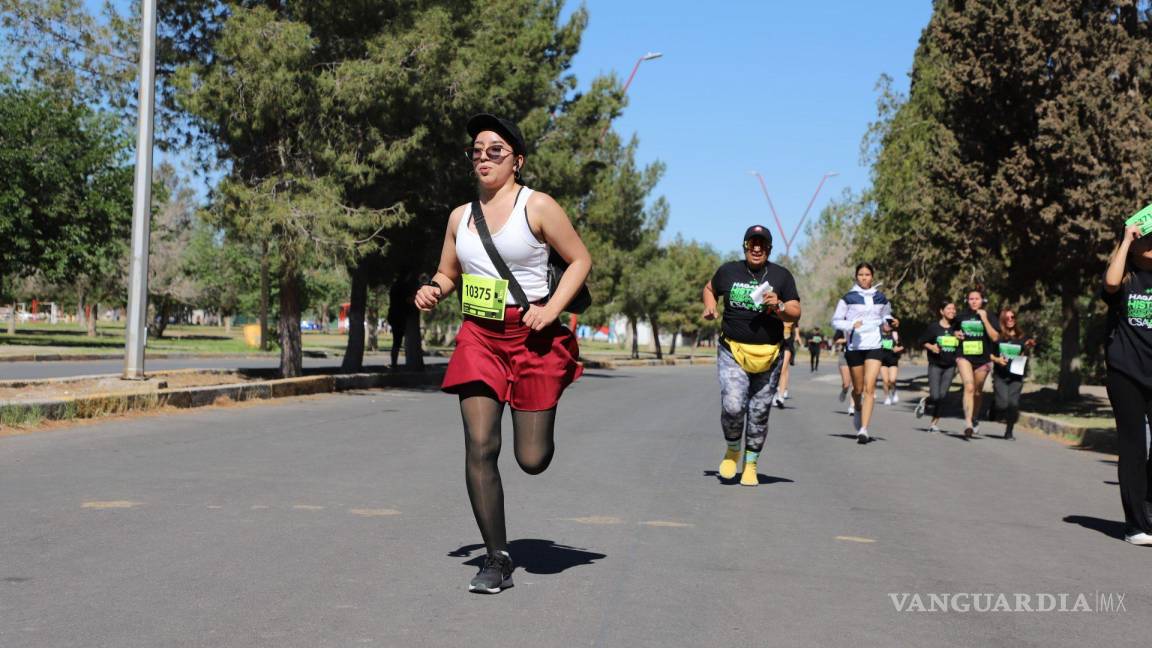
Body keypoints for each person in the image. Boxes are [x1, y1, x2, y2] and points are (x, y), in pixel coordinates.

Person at [413, 113, 592, 592]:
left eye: (495, 150)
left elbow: (580, 260)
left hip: (532, 336)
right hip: (480, 336)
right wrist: (433, 288)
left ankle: (540, 418)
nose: (484, 157)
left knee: (532, 458)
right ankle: (497, 557)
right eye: (477, 150)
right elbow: (448, 272)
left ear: (517, 160)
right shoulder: (460, 217)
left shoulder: (538, 206)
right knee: (480, 445)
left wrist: (551, 310)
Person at [702, 225, 801, 486]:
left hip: (769, 356)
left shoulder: (781, 276)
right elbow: (710, 288)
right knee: (733, 406)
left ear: (769, 249)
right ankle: (733, 448)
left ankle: (750, 465)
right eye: (752, 243)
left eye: (762, 244)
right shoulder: (728, 271)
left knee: (759, 413)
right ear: (745, 246)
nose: (757, 248)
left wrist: (778, 305)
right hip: (732, 350)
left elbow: (795, 310)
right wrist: (711, 306)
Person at [1102, 222, 1152, 545]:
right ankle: (1136, 525)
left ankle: (1146, 505)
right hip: (1126, 373)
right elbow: (1109, 283)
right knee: (1133, 448)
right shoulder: (1126, 277)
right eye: (1146, 238)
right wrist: (1126, 239)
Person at [831, 263, 893, 444]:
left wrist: (890, 323)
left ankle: (864, 429)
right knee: (858, 389)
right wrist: (851, 325)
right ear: (856, 277)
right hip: (855, 347)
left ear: (872, 276)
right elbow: (836, 321)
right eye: (861, 274)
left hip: (874, 346)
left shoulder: (881, 298)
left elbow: (886, 318)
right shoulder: (848, 298)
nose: (864, 277)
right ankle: (857, 407)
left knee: (870, 387)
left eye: (867, 274)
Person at [954, 288, 1000, 438]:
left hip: (983, 360)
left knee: (978, 392)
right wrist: (956, 334)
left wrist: (985, 319)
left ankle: (974, 417)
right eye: (971, 299)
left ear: (983, 301)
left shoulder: (990, 316)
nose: (974, 301)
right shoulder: (961, 316)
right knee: (969, 387)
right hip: (964, 356)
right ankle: (967, 423)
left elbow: (995, 337)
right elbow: (952, 331)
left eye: (977, 299)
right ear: (967, 301)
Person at [988, 308, 1034, 440]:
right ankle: (994, 406)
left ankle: (1009, 432)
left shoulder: (1022, 336)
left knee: (1013, 405)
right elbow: (988, 354)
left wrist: (1029, 346)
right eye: (1007, 318)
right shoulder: (998, 337)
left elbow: (1026, 348)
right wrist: (997, 359)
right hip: (1000, 376)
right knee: (1002, 404)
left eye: (1012, 317)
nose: (1010, 320)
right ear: (1002, 320)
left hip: (1016, 376)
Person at [915, 301, 960, 433]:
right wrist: (932, 347)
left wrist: (960, 337)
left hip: (950, 366)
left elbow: (962, 339)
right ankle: (926, 400)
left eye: (954, 309)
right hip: (935, 364)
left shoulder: (957, 327)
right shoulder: (934, 327)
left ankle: (934, 423)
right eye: (949, 308)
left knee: (943, 396)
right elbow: (921, 341)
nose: (952, 311)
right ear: (942, 311)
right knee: (935, 396)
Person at [387, 273, 418, 370]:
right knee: (398, 342)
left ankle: (394, 364)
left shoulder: (394, 286)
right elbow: (408, 300)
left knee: (396, 342)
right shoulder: (403, 287)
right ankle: (395, 364)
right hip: (401, 317)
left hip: (394, 315)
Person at [879, 321, 904, 405]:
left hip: (893, 360)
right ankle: (887, 397)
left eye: (890, 325)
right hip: (882, 361)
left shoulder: (894, 334)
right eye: (886, 324)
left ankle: (894, 392)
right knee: (885, 381)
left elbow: (902, 346)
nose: (888, 326)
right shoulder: (878, 335)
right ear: (882, 325)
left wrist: (897, 349)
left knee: (892, 380)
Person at [833, 328, 855, 417]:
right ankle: (844, 391)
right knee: (846, 384)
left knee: (855, 383)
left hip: (856, 355)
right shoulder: (842, 328)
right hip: (844, 355)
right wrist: (847, 340)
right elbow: (836, 340)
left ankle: (852, 406)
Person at [776, 320, 798, 405]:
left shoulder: (791, 312)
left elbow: (796, 324)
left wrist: (797, 335)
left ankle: (780, 396)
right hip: (774, 341)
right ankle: (776, 390)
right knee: (774, 370)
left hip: (787, 342)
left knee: (783, 369)